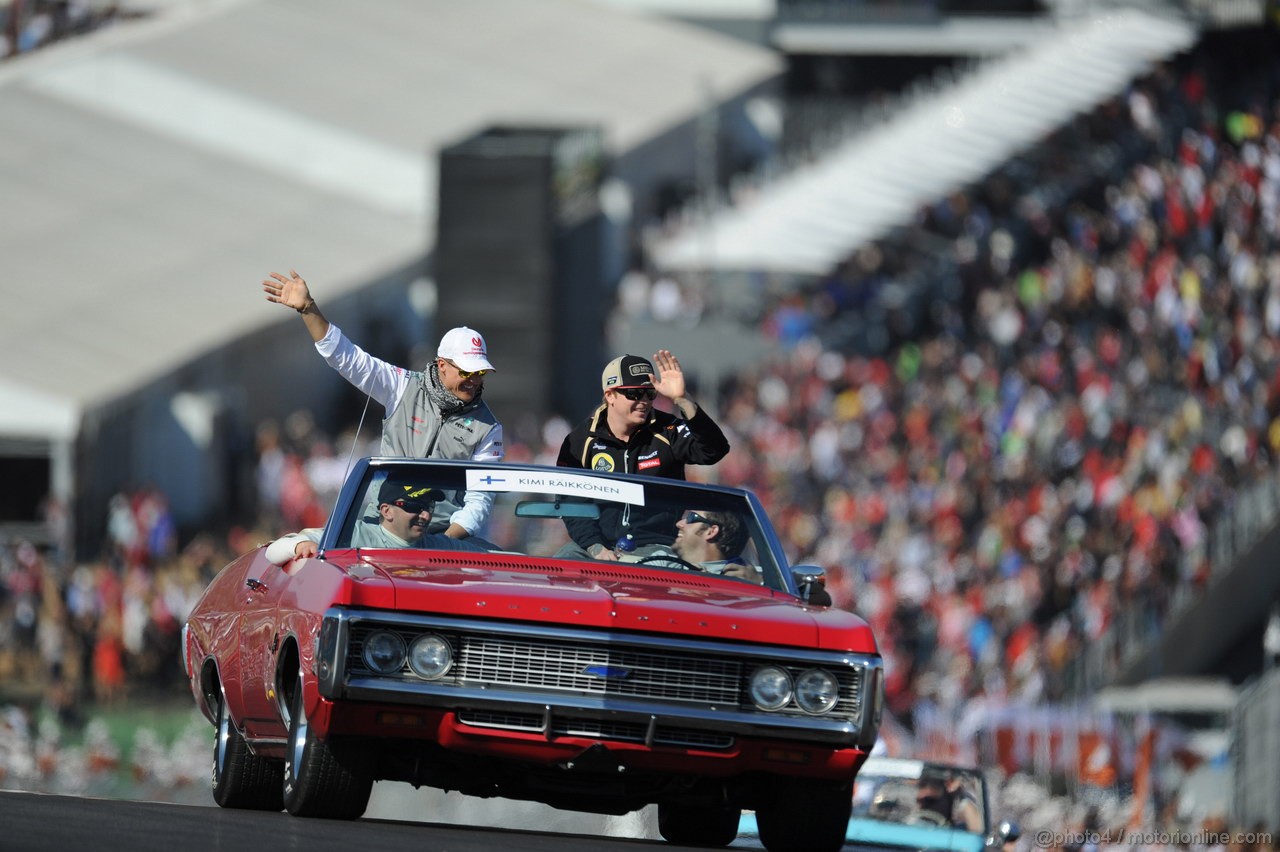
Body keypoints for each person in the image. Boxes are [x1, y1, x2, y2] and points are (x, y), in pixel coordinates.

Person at [262, 269, 502, 538]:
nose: (474, 380)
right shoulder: (403, 385)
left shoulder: (489, 428)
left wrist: (438, 545)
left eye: (480, 373)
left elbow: (479, 501)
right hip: (382, 528)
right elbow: (347, 359)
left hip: (443, 537)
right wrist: (308, 308)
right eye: (467, 372)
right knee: (296, 545)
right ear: (442, 366)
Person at [556, 351, 730, 558]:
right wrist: (595, 547)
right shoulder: (581, 439)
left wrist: (683, 400)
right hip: (594, 547)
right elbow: (570, 502)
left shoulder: (668, 429)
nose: (644, 401)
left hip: (656, 547)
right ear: (610, 395)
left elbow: (714, 450)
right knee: (560, 566)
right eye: (634, 394)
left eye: (650, 394)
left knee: (661, 568)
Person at [265, 474, 495, 564]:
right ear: (386, 511)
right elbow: (273, 551)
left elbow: (495, 560)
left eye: (429, 507)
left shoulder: (438, 545)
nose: (425, 515)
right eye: (415, 506)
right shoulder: (354, 533)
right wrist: (302, 545)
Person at [670, 509, 763, 584]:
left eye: (690, 518)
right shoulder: (659, 560)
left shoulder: (744, 579)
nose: (678, 524)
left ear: (711, 531)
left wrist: (760, 584)